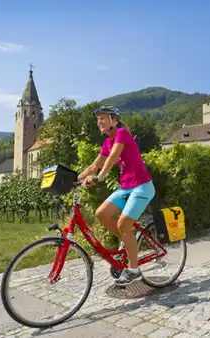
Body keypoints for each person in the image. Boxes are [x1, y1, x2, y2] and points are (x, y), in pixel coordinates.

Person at [78, 105, 155, 287]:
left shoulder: (122, 134)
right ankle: (128, 243)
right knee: (102, 213)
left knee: (122, 224)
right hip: (126, 188)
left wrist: (99, 177)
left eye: (103, 118)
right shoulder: (106, 143)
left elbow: (112, 158)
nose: (99, 122)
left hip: (142, 187)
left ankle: (134, 270)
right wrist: (74, 179)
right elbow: (93, 166)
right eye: (98, 119)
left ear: (114, 120)